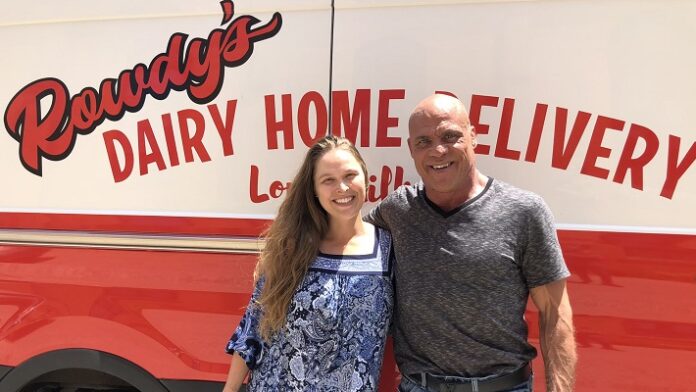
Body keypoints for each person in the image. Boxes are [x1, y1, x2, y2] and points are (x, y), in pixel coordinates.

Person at [365, 94, 576, 392]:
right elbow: (338, 237)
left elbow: (555, 313)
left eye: (450, 136)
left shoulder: (524, 211)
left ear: (473, 136)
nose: (438, 150)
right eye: (423, 142)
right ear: (411, 149)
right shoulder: (397, 211)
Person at [223, 135, 394, 392]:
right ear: (314, 190)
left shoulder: (388, 249)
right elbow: (253, 330)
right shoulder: (293, 246)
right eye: (329, 180)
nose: (343, 188)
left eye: (350, 175)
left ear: (366, 177)